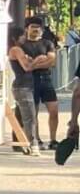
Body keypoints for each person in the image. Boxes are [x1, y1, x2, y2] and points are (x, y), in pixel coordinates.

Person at [23, 16, 60, 151]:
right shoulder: (22, 45)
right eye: (33, 27)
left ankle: (53, 140)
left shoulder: (47, 43)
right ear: (27, 29)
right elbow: (25, 64)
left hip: (46, 80)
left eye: (38, 27)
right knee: (34, 113)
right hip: (30, 81)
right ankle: (36, 139)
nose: (36, 30)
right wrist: (40, 60)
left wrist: (33, 63)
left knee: (54, 110)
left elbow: (52, 61)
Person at [8, 25, 39, 153]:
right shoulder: (16, 50)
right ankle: (32, 143)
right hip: (23, 86)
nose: (24, 38)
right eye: (22, 36)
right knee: (29, 116)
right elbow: (26, 67)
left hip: (23, 86)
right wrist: (38, 61)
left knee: (21, 116)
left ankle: (19, 142)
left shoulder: (17, 50)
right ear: (15, 38)